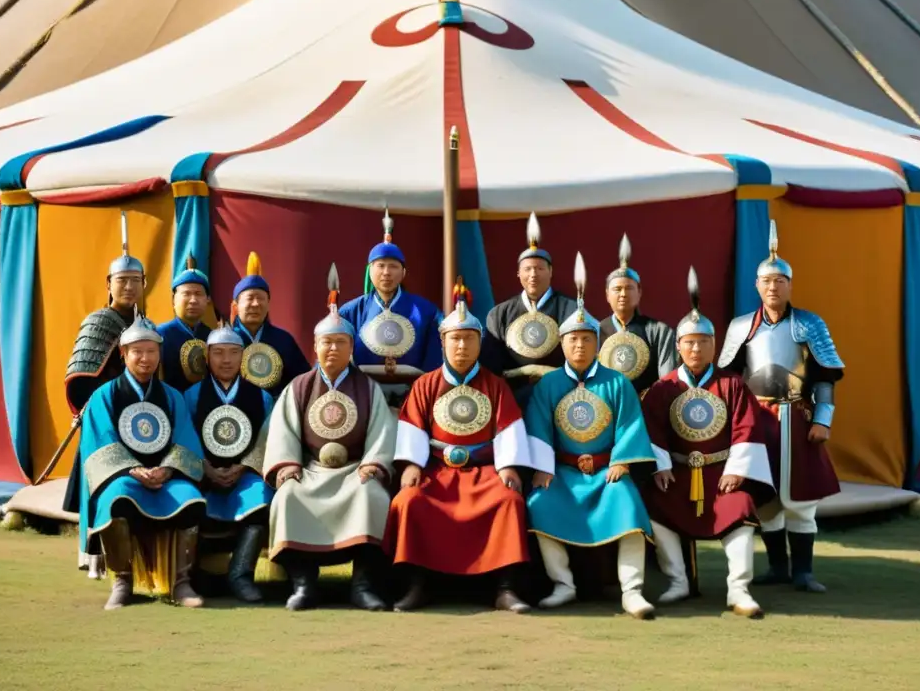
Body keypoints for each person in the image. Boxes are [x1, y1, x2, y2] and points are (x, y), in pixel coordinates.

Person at [385, 279, 533, 613]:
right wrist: (411, 464)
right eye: (455, 339)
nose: (462, 347)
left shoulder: (495, 385)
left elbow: (509, 427)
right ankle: (415, 584)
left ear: (480, 343)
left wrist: (508, 466)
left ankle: (505, 588)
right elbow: (412, 426)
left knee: (509, 500)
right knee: (410, 501)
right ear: (443, 342)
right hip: (437, 471)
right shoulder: (425, 384)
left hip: (484, 471)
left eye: (469, 339)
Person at [525, 254, 658, 618]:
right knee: (538, 505)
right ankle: (562, 584)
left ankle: (632, 591)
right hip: (563, 473)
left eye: (587, 339)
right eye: (573, 340)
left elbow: (630, 425)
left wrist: (621, 461)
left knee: (630, 509)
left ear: (598, 342)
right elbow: (537, 428)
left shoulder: (617, 382)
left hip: (607, 472)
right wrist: (543, 467)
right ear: (562, 344)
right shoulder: (548, 384)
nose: (580, 346)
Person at [718, 221, 844, 593]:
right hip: (757, 422)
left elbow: (825, 377)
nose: (773, 287)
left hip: (798, 420)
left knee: (802, 501)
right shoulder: (741, 327)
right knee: (766, 498)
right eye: (766, 281)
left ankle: (803, 572)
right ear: (757, 285)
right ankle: (777, 567)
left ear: (790, 284)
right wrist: (734, 424)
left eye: (780, 281)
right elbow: (729, 378)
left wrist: (823, 418)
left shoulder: (809, 324)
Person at [642, 268, 775, 618]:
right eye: (689, 342)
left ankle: (739, 589)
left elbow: (747, 428)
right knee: (655, 506)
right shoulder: (663, 388)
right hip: (678, 473)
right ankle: (677, 582)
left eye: (703, 341)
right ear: (678, 346)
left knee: (741, 507)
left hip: (723, 472)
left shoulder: (732, 385)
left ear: (714, 346)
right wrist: (662, 466)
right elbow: (652, 429)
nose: (696, 348)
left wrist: (738, 471)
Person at [264, 265, 396, 612]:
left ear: (352, 346)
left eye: (340, 343)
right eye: (327, 343)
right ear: (315, 345)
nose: (333, 349)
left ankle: (363, 585)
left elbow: (383, 431)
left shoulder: (368, 388)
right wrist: (288, 465)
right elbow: (284, 430)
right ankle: (304, 584)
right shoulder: (299, 387)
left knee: (373, 497)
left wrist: (372, 465)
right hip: (311, 471)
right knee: (288, 496)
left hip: (355, 471)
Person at [78, 308, 206, 610]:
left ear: (159, 354)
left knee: (190, 498)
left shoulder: (173, 396)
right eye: (138, 351)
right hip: (124, 477)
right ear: (123, 353)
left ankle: (181, 582)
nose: (145, 358)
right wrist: (133, 469)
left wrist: (167, 469)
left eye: (151, 351)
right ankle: (123, 581)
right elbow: (101, 441)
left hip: (165, 477)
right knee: (116, 500)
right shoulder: (104, 396)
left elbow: (185, 438)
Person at [63, 212, 144, 576]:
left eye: (135, 281)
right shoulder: (100, 322)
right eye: (121, 281)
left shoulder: (145, 326)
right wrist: (98, 406)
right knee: (97, 484)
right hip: (103, 418)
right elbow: (81, 375)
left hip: (141, 421)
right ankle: (93, 556)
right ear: (108, 284)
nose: (128, 287)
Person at [183, 321, 275, 602]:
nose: (226, 360)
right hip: (203, 473)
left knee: (263, 496)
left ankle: (240, 574)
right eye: (218, 353)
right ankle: (193, 573)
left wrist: (244, 466)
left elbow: (266, 439)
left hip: (245, 473)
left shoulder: (262, 397)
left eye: (233, 353)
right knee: (186, 499)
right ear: (207, 356)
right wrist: (205, 467)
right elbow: (183, 438)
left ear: (243, 356)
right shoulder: (191, 397)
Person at [339, 208, 443, 408]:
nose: (386, 272)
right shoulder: (350, 311)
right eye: (380, 266)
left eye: (393, 266)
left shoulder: (425, 311)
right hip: (363, 395)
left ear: (403, 273)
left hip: (414, 394)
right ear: (370, 271)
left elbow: (443, 342)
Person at [482, 213, 578, 408]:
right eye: (527, 269)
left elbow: (580, 353)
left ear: (551, 272)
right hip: (512, 397)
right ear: (518, 274)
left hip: (560, 394)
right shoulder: (500, 313)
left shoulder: (571, 309)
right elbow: (491, 364)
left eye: (540, 268)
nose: (533, 274)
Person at [598, 234, 677, 396]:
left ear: (639, 292)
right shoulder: (596, 330)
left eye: (629, 288)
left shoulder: (659, 331)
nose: (623, 294)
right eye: (617, 289)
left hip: (647, 407)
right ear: (607, 295)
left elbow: (667, 378)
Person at [232, 251, 311, 398]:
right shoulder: (226, 340)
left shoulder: (283, 339)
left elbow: (302, 380)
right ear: (236, 306)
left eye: (261, 299)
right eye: (250, 298)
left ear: (268, 304)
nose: (255, 304)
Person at [158, 254, 212, 392]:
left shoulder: (213, 337)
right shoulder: (159, 335)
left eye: (198, 294)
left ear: (208, 300)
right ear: (173, 299)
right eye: (186, 294)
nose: (193, 300)